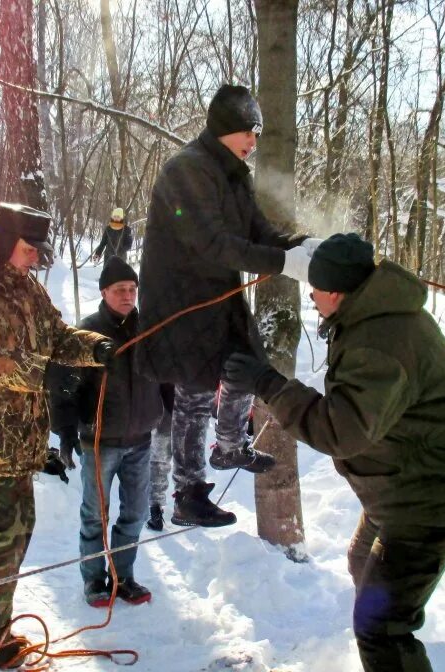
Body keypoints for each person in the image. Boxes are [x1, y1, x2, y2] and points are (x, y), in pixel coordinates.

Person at [223, 233, 445, 672]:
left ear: (333, 292)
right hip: (401, 485)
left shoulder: (378, 344)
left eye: (313, 288)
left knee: (382, 626)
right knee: (361, 561)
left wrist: (268, 383)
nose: (310, 296)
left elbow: (340, 430)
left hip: (429, 498)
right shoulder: (375, 312)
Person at [0, 203, 115, 669]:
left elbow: (56, 337)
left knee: (13, 535)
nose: (35, 259)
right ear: (2, 241)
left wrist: (97, 347)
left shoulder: (27, 290)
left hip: (17, 441)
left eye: (39, 250)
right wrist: (39, 372)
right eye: (28, 248)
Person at [134, 84, 319, 527]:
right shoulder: (187, 170)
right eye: (248, 133)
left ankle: (230, 445)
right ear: (224, 129)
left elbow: (256, 230)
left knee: (247, 365)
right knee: (194, 393)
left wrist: (301, 247)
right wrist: (281, 262)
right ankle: (187, 492)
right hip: (180, 301)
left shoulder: (235, 174)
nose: (253, 143)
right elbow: (210, 243)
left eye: (257, 134)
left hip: (217, 294)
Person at [47, 256, 164, 608]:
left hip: (141, 438)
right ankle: (94, 580)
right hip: (100, 442)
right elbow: (64, 387)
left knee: (135, 513)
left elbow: (165, 375)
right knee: (94, 515)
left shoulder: (149, 328)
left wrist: (165, 414)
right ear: (104, 292)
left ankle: (123, 576)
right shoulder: (88, 333)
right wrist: (66, 432)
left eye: (132, 289)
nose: (128, 295)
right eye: (119, 290)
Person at [146, 386, 174, 531]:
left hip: (164, 408)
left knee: (159, 463)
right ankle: (188, 505)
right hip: (186, 406)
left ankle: (155, 510)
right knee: (187, 460)